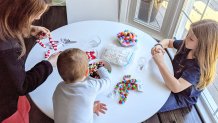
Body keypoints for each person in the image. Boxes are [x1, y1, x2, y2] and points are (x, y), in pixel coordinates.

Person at [0, 0, 60, 122]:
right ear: (20, 13)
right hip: (6, 109)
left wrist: (28, 28)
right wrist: (49, 64)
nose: (38, 17)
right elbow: (22, 86)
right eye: (35, 14)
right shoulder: (7, 51)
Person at [151, 19, 218, 112]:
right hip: (172, 78)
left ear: (202, 46)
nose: (186, 38)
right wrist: (159, 45)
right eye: (188, 34)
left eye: (191, 38)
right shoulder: (187, 45)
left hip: (180, 96)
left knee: (152, 104)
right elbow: (168, 42)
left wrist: (160, 63)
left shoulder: (197, 69)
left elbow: (176, 87)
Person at [53, 48, 111, 123]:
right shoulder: (90, 87)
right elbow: (107, 81)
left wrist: (90, 108)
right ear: (87, 72)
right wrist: (100, 66)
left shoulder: (59, 88)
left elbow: (71, 107)